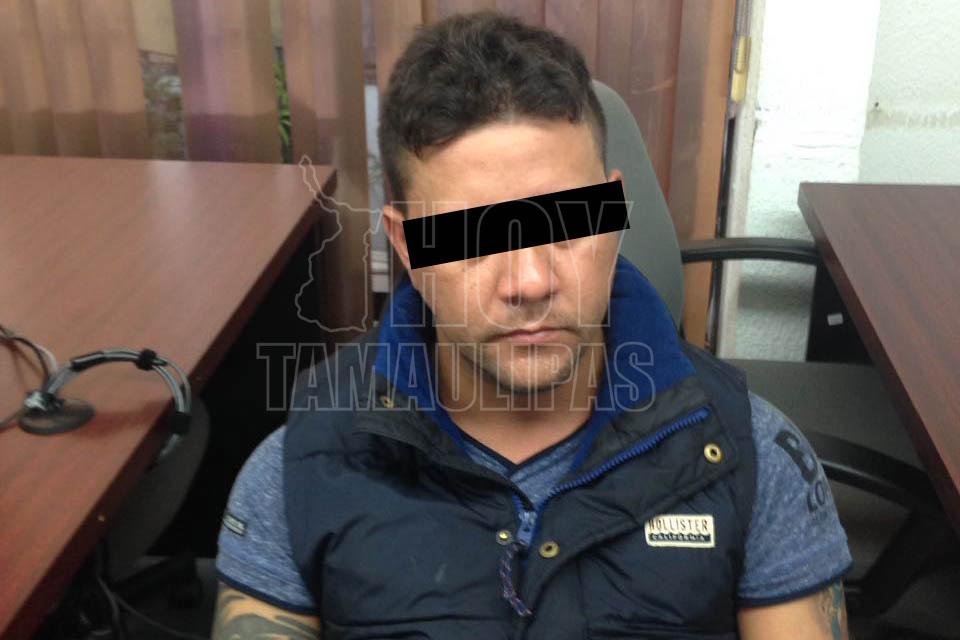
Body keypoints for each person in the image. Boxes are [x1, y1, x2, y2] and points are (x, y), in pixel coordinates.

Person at [212, 11, 853, 639]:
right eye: (471, 237)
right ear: (406, 247)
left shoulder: (750, 457)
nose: (530, 282)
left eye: (568, 222)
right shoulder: (301, 472)